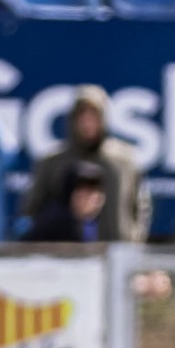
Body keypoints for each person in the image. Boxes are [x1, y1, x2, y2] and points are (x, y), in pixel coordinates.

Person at [22, 86, 150, 242]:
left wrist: (134, 238)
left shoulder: (124, 162)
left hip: (118, 249)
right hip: (66, 253)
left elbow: (140, 206)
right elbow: (32, 210)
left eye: (94, 117)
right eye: (82, 117)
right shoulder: (52, 163)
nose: (88, 124)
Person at [26, 159, 110, 243]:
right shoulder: (55, 223)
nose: (91, 198)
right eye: (84, 192)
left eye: (96, 191)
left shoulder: (99, 223)